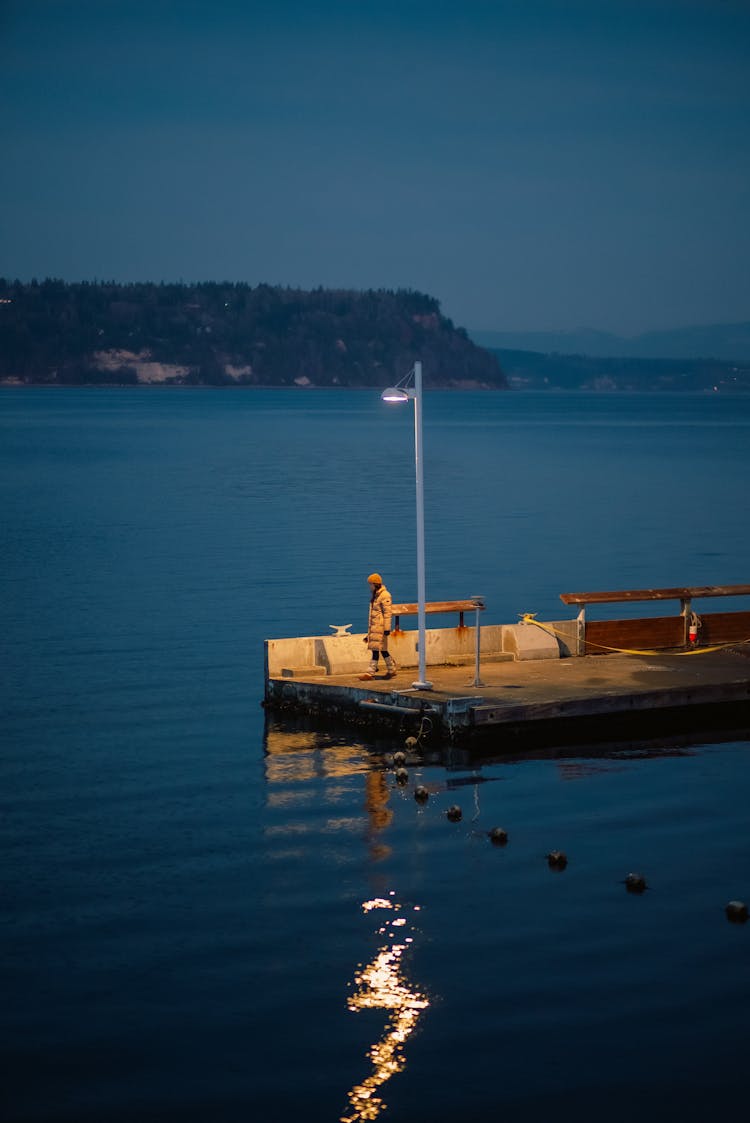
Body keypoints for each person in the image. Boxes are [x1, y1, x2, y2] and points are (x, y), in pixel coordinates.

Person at [360, 573, 398, 679]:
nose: (369, 587)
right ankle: (391, 669)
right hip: (375, 627)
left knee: (377, 650)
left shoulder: (385, 595)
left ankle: (370, 672)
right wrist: (368, 634)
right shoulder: (376, 595)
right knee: (381, 649)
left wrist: (387, 629)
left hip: (380, 628)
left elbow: (387, 613)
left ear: (375, 584)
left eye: (370, 584)